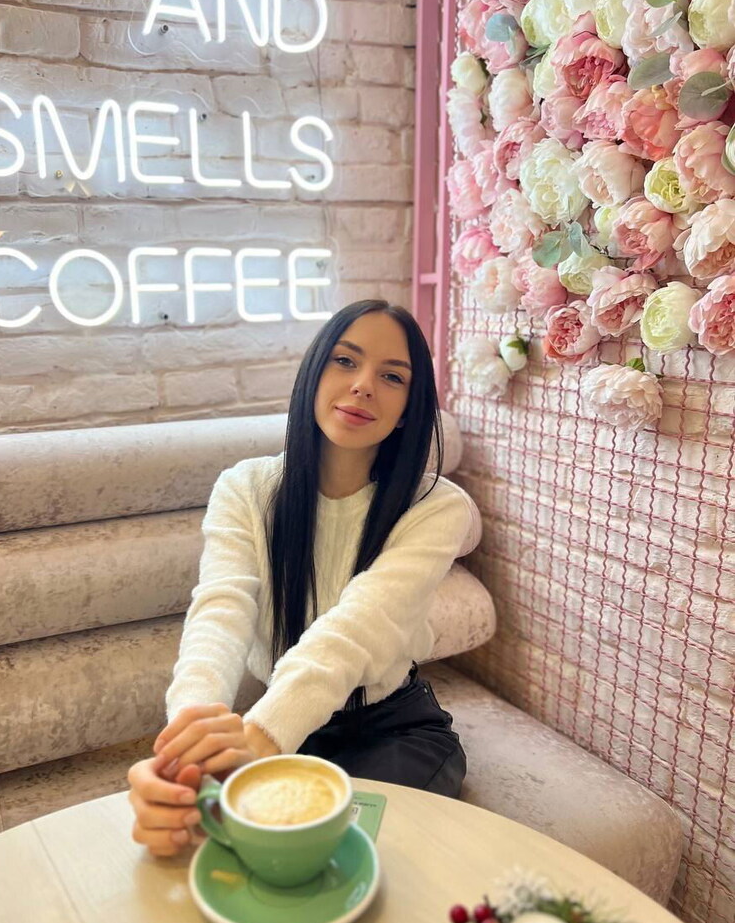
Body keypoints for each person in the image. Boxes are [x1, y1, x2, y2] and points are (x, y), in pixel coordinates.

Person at [127, 299, 482, 858]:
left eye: (392, 377)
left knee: (340, 856)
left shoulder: (436, 506)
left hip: (390, 729)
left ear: (408, 410)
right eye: (346, 361)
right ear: (314, 372)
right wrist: (189, 745)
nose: (363, 385)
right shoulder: (245, 489)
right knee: (219, 845)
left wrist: (259, 739)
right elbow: (220, 613)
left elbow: (359, 625)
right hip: (282, 720)